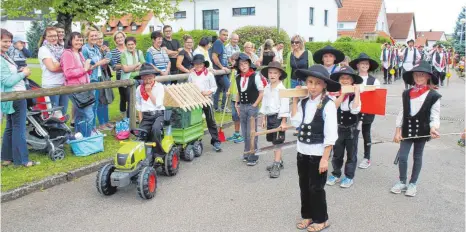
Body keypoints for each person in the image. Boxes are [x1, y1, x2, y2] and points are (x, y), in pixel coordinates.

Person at [291, 65, 340, 232]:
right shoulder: (304, 103)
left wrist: (325, 158)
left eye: (317, 83)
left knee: (316, 188)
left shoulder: (328, 105)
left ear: (324, 85)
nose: (312, 86)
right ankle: (307, 216)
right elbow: (296, 123)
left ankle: (321, 219)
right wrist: (295, 100)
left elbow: (331, 135)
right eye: (310, 82)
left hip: (318, 154)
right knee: (304, 185)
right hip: (302, 151)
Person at [391, 61, 441, 197]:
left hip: (422, 131)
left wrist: (434, 128)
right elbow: (402, 112)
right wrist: (397, 131)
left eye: (422, 75)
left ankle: (413, 183)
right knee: (402, 156)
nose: (419, 78)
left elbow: (435, 116)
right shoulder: (406, 93)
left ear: (428, 77)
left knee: (417, 157)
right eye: (417, 75)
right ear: (413, 76)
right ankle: (402, 181)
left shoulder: (434, 95)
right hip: (407, 130)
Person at [1, 28, 37, 167]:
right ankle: (22, 160)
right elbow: (7, 81)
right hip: (15, 96)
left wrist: (18, 71)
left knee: (10, 127)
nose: (8, 44)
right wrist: (24, 73)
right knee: (18, 128)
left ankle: (6, 158)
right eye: (4, 41)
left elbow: (8, 75)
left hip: (12, 96)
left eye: (10, 41)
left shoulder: (4, 55)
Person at [326, 66, 362, 188]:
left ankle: (349, 177)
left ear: (352, 81)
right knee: (337, 153)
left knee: (351, 154)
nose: (345, 80)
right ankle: (336, 174)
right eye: (342, 78)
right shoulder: (333, 94)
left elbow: (355, 110)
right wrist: (343, 94)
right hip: (337, 128)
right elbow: (333, 108)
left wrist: (356, 93)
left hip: (352, 129)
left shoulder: (355, 94)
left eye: (348, 78)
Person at [349, 53, 381, 169]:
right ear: (357, 65)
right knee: (353, 134)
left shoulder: (374, 81)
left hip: (368, 111)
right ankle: (352, 156)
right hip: (354, 111)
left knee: (366, 134)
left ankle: (367, 158)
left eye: (366, 64)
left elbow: (377, 97)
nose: (364, 65)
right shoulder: (352, 79)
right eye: (362, 63)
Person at [60, 32, 94, 137]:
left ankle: (79, 135)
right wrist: (84, 69)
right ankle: (89, 136)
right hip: (75, 88)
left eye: (81, 40)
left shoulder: (79, 53)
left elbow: (84, 70)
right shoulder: (67, 54)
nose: (79, 42)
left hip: (84, 87)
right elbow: (68, 73)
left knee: (80, 114)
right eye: (77, 40)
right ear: (70, 41)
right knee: (89, 114)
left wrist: (88, 69)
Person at [260, 61, 289, 178]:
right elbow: (265, 103)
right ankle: (279, 161)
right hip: (270, 117)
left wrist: (283, 122)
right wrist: (263, 118)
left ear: (279, 74)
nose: (272, 75)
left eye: (275, 73)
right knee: (273, 141)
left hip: (278, 117)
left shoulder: (282, 89)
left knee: (278, 142)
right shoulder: (267, 87)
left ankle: (276, 164)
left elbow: (285, 106)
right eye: (270, 73)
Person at [234, 53, 264, 166]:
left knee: (251, 132)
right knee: (244, 131)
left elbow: (261, 92)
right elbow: (239, 92)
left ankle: (253, 154)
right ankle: (247, 152)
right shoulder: (238, 77)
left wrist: (255, 105)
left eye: (245, 64)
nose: (243, 66)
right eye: (241, 64)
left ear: (249, 64)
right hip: (242, 106)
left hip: (252, 105)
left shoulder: (255, 76)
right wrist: (237, 104)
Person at [188, 54, 222, 152]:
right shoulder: (191, 75)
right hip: (195, 101)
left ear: (203, 64)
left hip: (207, 100)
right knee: (195, 121)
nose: (198, 66)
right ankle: (194, 140)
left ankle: (216, 141)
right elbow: (189, 86)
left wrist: (208, 92)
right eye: (196, 64)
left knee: (210, 120)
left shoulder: (209, 74)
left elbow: (214, 87)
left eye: (200, 64)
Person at [82, 27, 112, 131]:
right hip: (90, 79)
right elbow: (86, 66)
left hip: (98, 77)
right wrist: (99, 63)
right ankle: (91, 127)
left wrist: (106, 55)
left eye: (96, 36)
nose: (95, 38)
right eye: (92, 36)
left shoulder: (96, 48)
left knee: (96, 104)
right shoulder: (85, 49)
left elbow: (107, 60)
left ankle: (94, 127)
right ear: (87, 37)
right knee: (91, 105)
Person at [38, 27, 67, 115]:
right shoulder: (44, 49)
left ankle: (61, 129)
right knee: (54, 114)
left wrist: (58, 64)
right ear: (45, 37)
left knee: (63, 113)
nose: (53, 38)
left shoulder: (60, 48)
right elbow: (52, 68)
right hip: (51, 85)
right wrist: (66, 66)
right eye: (50, 36)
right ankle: (54, 129)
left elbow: (63, 64)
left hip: (64, 83)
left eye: (55, 36)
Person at [134, 63, 166, 145]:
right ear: (141, 78)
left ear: (154, 77)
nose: (148, 81)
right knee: (141, 134)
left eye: (150, 78)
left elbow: (158, 104)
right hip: (146, 116)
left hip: (158, 114)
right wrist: (141, 120)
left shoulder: (159, 87)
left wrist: (149, 92)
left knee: (155, 130)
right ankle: (144, 154)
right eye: (145, 79)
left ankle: (159, 154)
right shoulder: (139, 89)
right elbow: (139, 106)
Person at [120, 36, 144, 119]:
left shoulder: (139, 52)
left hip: (139, 79)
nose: (131, 46)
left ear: (135, 44)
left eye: (132, 44)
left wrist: (132, 67)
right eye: (128, 44)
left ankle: (141, 119)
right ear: (126, 45)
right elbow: (125, 69)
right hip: (128, 80)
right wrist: (136, 65)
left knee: (141, 100)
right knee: (131, 101)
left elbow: (143, 65)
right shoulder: (123, 54)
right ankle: (130, 120)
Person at [226, 52, 244, 144]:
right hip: (233, 97)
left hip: (239, 97)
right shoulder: (234, 71)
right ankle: (236, 133)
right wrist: (229, 90)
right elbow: (231, 82)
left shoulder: (242, 72)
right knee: (235, 116)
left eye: (233, 61)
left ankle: (244, 135)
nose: (231, 63)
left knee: (241, 116)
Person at [211, 29, 230, 112]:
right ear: (219, 35)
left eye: (226, 35)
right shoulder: (218, 43)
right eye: (223, 34)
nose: (225, 36)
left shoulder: (222, 44)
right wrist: (222, 67)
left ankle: (215, 107)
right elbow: (214, 57)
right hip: (219, 71)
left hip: (222, 70)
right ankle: (223, 107)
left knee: (218, 89)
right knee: (228, 87)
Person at [110, 31, 127, 118]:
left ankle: (132, 115)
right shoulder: (114, 52)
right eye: (118, 38)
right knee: (123, 97)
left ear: (124, 38)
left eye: (121, 37)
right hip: (121, 76)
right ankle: (124, 116)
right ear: (115, 40)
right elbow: (114, 66)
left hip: (132, 75)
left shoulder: (130, 48)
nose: (120, 39)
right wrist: (126, 66)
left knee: (133, 96)